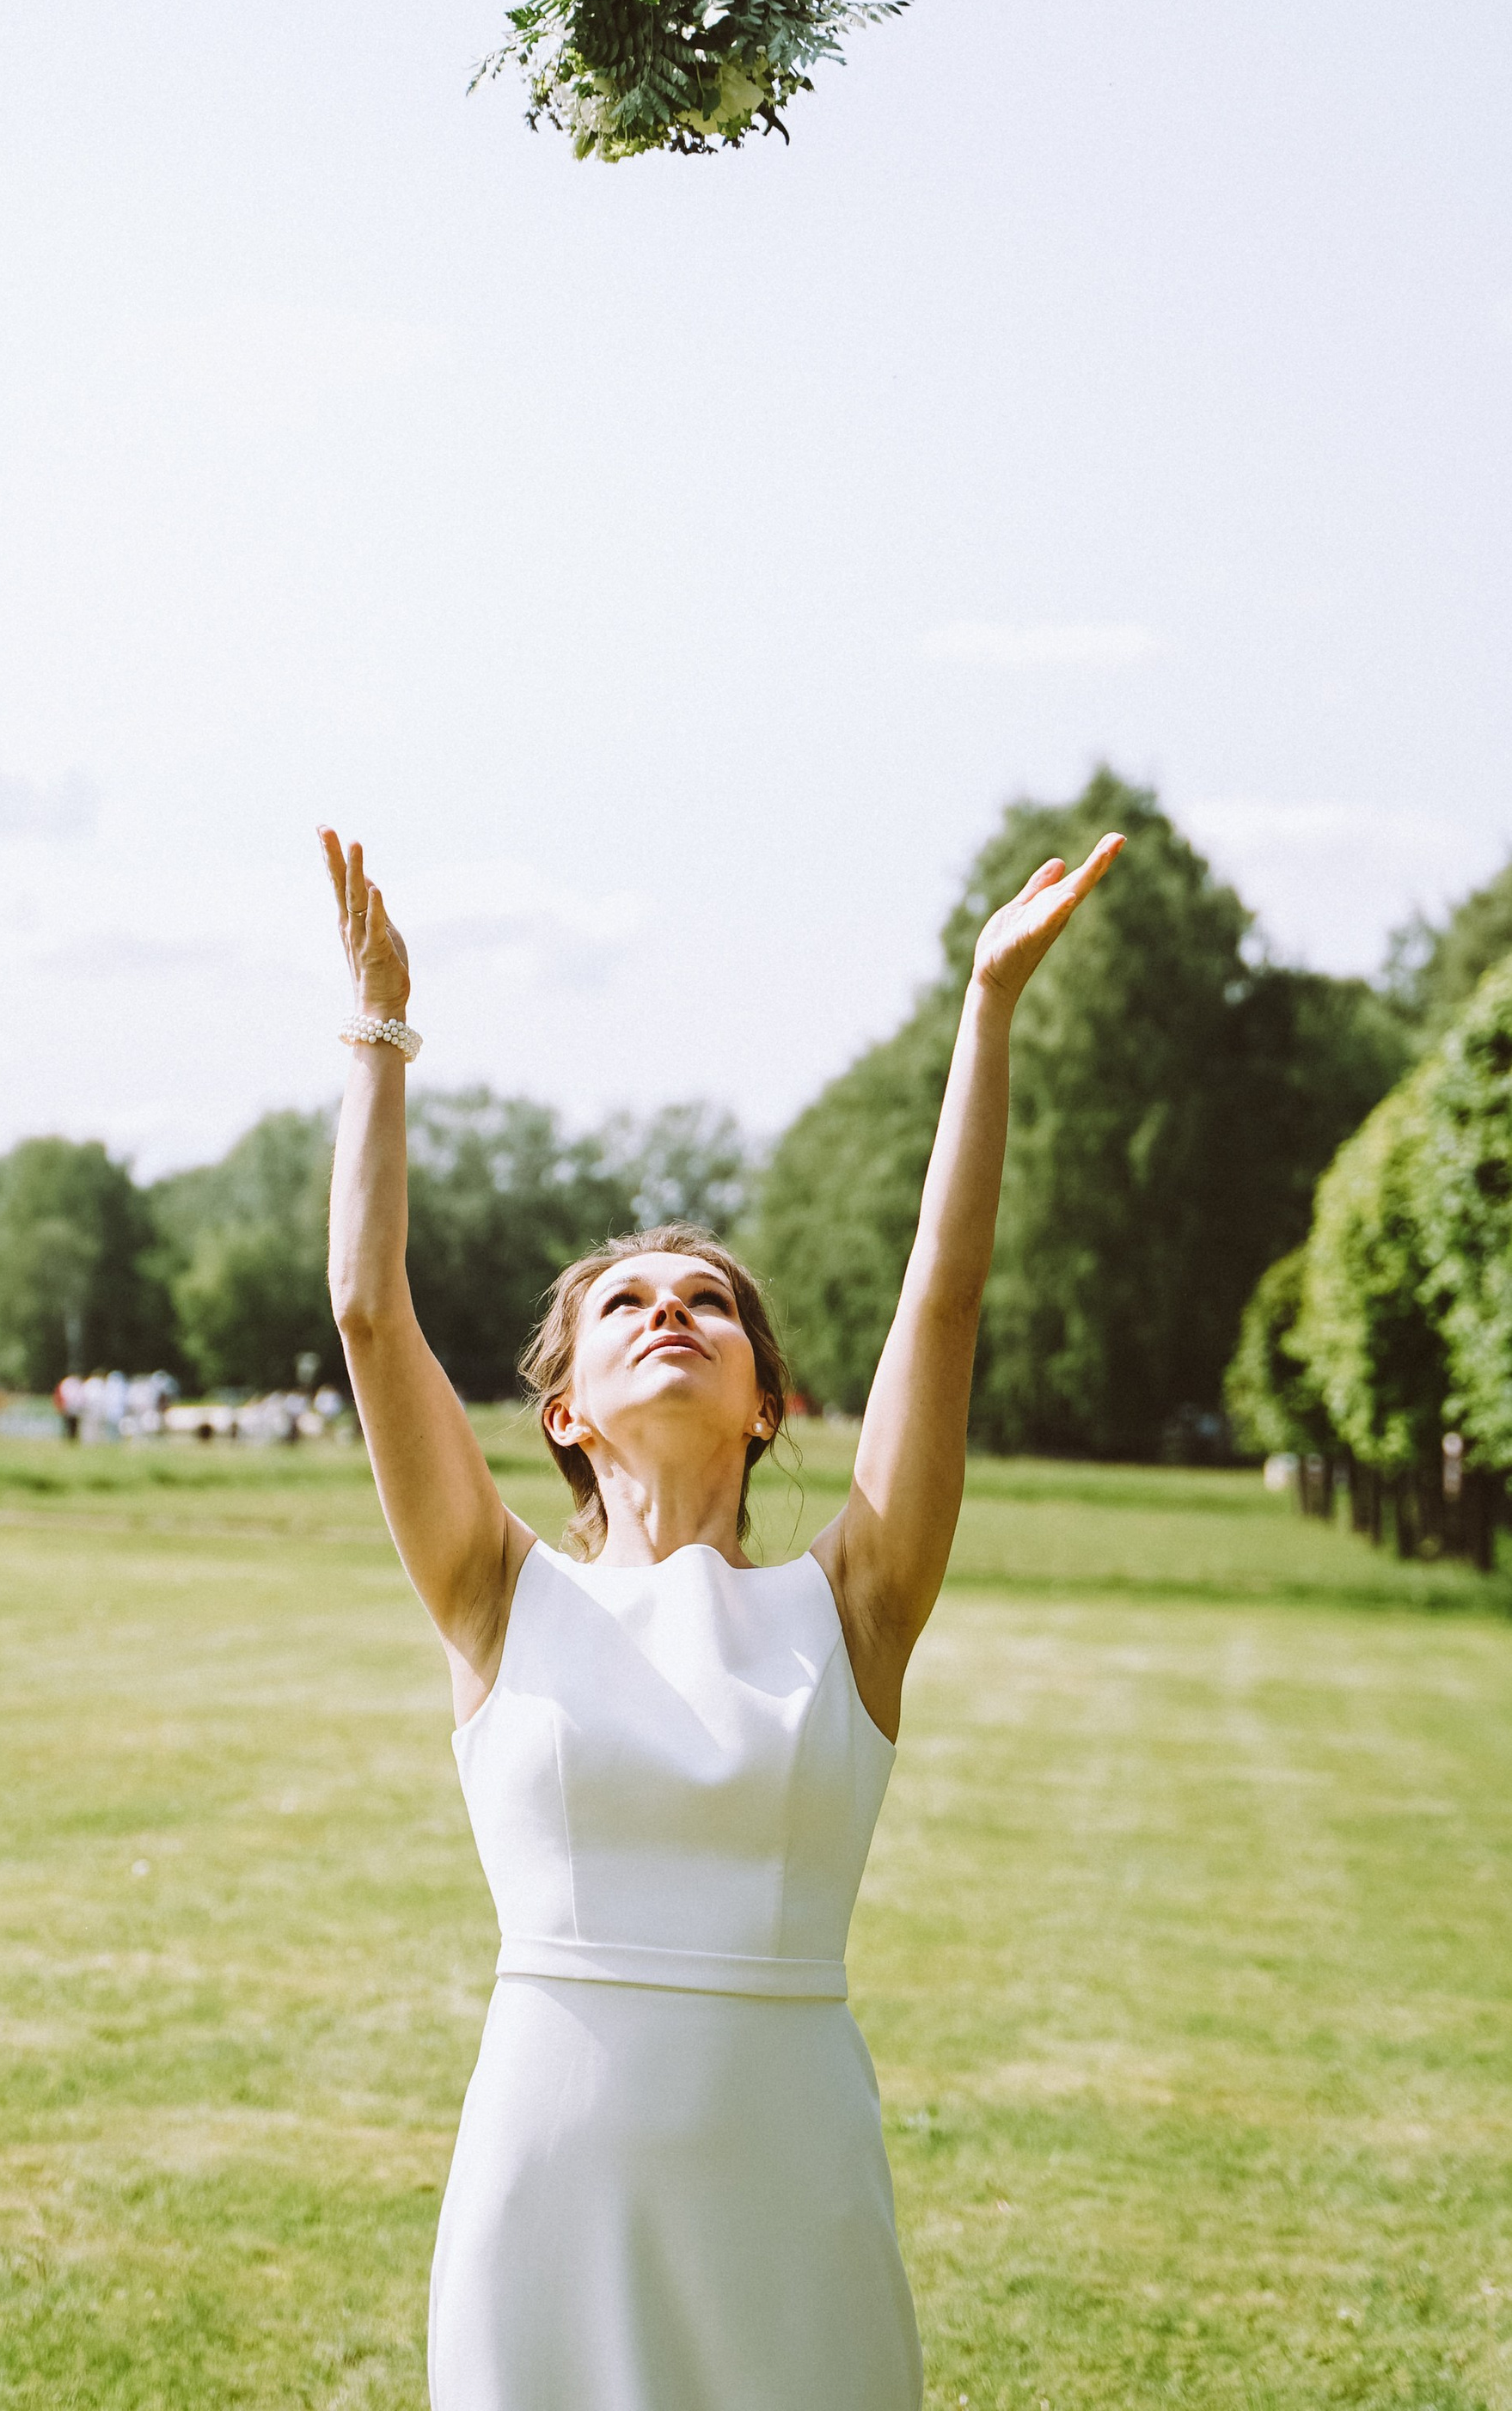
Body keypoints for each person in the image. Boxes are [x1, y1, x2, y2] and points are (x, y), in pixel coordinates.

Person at [319, 819, 1123, 2411]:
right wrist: (379, 1032)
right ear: (563, 1413)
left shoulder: (855, 1604)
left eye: (710, 1303)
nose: (672, 1310)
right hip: (550, 2170)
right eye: (627, 1300)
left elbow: (941, 1303)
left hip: (788, 2166)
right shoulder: (495, 1595)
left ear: (766, 1403)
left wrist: (986, 1012)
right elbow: (366, 1303)